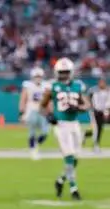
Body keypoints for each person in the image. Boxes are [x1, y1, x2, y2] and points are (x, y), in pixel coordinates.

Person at [40, 57, 90, 200]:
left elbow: (87, 105)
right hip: (61, 125)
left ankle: (60, 180)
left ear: (71, 72)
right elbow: (42, 106)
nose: (63, 75)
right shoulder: (52, 87)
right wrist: (49, 116)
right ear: (56, 72)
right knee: (68, 157)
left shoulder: (78, 86)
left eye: (66, 72)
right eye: (61, 72)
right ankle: (74, 189)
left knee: (75, 159)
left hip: (75, 124)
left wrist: (78, 107)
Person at [19, 67, 49, 159]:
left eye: (39, 76)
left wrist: (50, 112)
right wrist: (21, 112)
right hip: (31, 110)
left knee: (45, 132)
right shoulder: (28, 86)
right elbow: (23, 99)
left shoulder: (46, 86)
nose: (38, 78)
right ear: (32, 77)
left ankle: (35, 144)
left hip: (42, 111)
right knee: (32, 131)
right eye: (36, 76)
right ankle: (32, 149)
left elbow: (48, 100)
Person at [84, 78, 110, 152]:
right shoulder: (93, 90)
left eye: (103, 82)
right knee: (96, 128)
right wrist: (90, 106)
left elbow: (108, 102)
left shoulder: (108, 90)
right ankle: (96, 145)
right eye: (100, 82)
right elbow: (87, 98)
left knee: (100, 128)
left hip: (103, 111)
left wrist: (107, 112)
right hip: (94, 111)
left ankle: (86, 135)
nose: (102, 84)